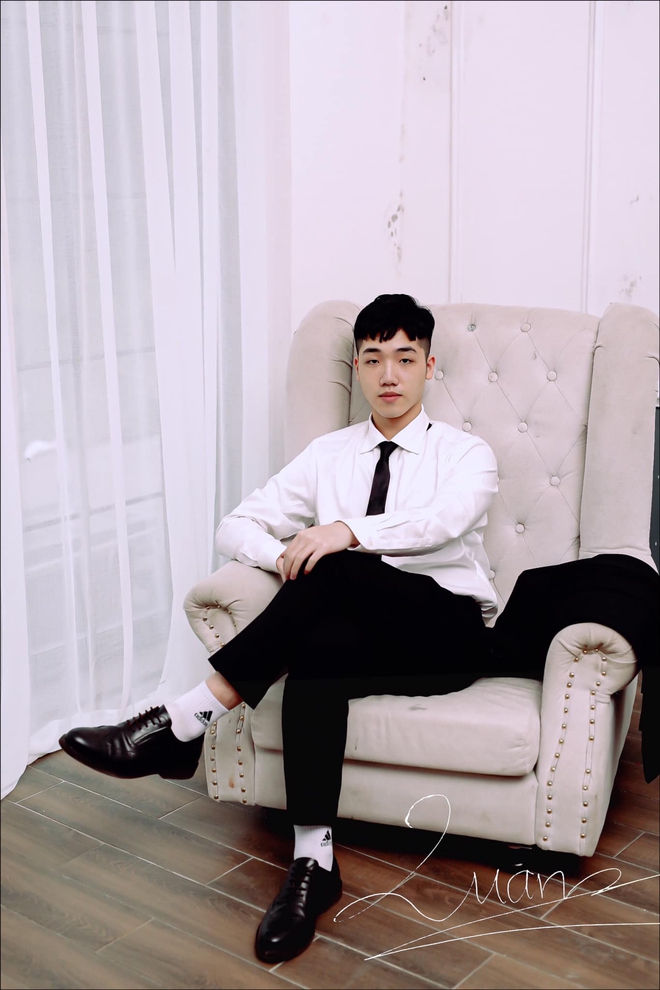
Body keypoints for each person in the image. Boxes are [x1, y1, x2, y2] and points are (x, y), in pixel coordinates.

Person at [60, 293, 499, 963]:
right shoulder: (329, 454)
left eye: (405, 359)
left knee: (337, 563)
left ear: (429, 366)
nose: (388, 375)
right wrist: (288, 556)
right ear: (357, 367)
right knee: (318, 648)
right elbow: (235, 525)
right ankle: (312, 863)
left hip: (447, 634)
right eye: (373, 359)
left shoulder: (466, 454)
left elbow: (441, 522)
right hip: (363, 637)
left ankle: (184, 721)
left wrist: (340, 532)